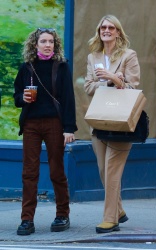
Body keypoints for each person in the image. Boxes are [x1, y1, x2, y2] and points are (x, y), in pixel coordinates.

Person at [13, 28, 77, 235]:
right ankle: (26, 220)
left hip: (54, 124)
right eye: (43, 41)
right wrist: (23, 98)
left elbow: (68, 99)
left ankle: (62, 214)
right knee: (29, 173)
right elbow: (16, 97)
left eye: (51, 41)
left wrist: (69, 128)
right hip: (31, 124)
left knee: (56, 170)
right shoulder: (26, 68)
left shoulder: (62, 67)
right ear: (35, 44)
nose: (48, 45)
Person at [84, 15, 140, 234]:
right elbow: (88, 87)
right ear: (99, 32)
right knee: (102, 170)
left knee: (112, 171)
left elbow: (133, 85)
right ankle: (119, 209)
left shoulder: (128, 55)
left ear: (118, 32)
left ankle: (110, 219)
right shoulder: (92, 57)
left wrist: (115, 79)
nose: (106, 30)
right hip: (99, 119)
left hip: (122, 121)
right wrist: (108, 80)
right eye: (103, 27)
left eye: (111, 27)